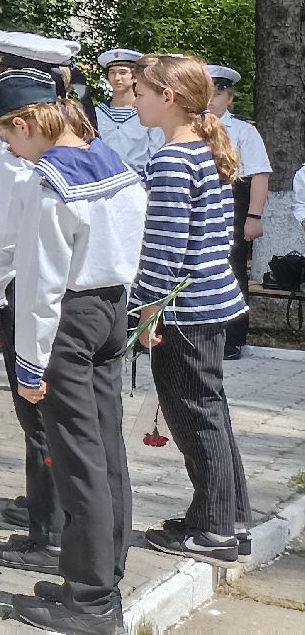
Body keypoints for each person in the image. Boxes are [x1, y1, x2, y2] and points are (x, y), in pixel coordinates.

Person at [0, 70, 144, 635]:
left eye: (8, 136)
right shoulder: (116, 163)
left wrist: (29, 366)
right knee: (105, 450)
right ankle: (102, 570)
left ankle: (92, 601)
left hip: (68, 320)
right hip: (109, 308)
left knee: (77, 462)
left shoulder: (47, 182)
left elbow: (40, 283)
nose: (8, 148)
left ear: (26, 123)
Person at [134, 54, 252, 564]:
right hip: (213, 300)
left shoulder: (173, 160)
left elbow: (164, 247)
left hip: (185, 309)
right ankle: (228, 514)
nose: (134, 98)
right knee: (211, 412)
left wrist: (146, 312)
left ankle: (214, 529)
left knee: (194, 419)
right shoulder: (206, 148)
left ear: (168, 97)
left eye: (140, 90)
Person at [0, 28, 84, 570]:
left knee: (38, 411)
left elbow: (13, 232)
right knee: (34, 417)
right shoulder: (28, 137)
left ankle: (54, 534)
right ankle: (45, 521)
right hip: (25, 277)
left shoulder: (27, 150)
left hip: (27, 281)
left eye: (0, 68)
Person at [209, 65, 270, 359]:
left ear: (229, 98)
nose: (210, 99)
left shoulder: (244, 131)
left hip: (233, 201)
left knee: (232, 270)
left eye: (217, 94)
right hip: (198, 201)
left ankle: (232, 338)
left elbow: (259, 175)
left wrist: (254, 216)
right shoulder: (186, 126)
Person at [94, 48, 161, 176]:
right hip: (104, 180)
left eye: (123, 72)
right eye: (112, 73)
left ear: (135, 77)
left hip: (139, 181)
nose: (117, 78)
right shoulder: (97, 113)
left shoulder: (148, 112)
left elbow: (156, 151)